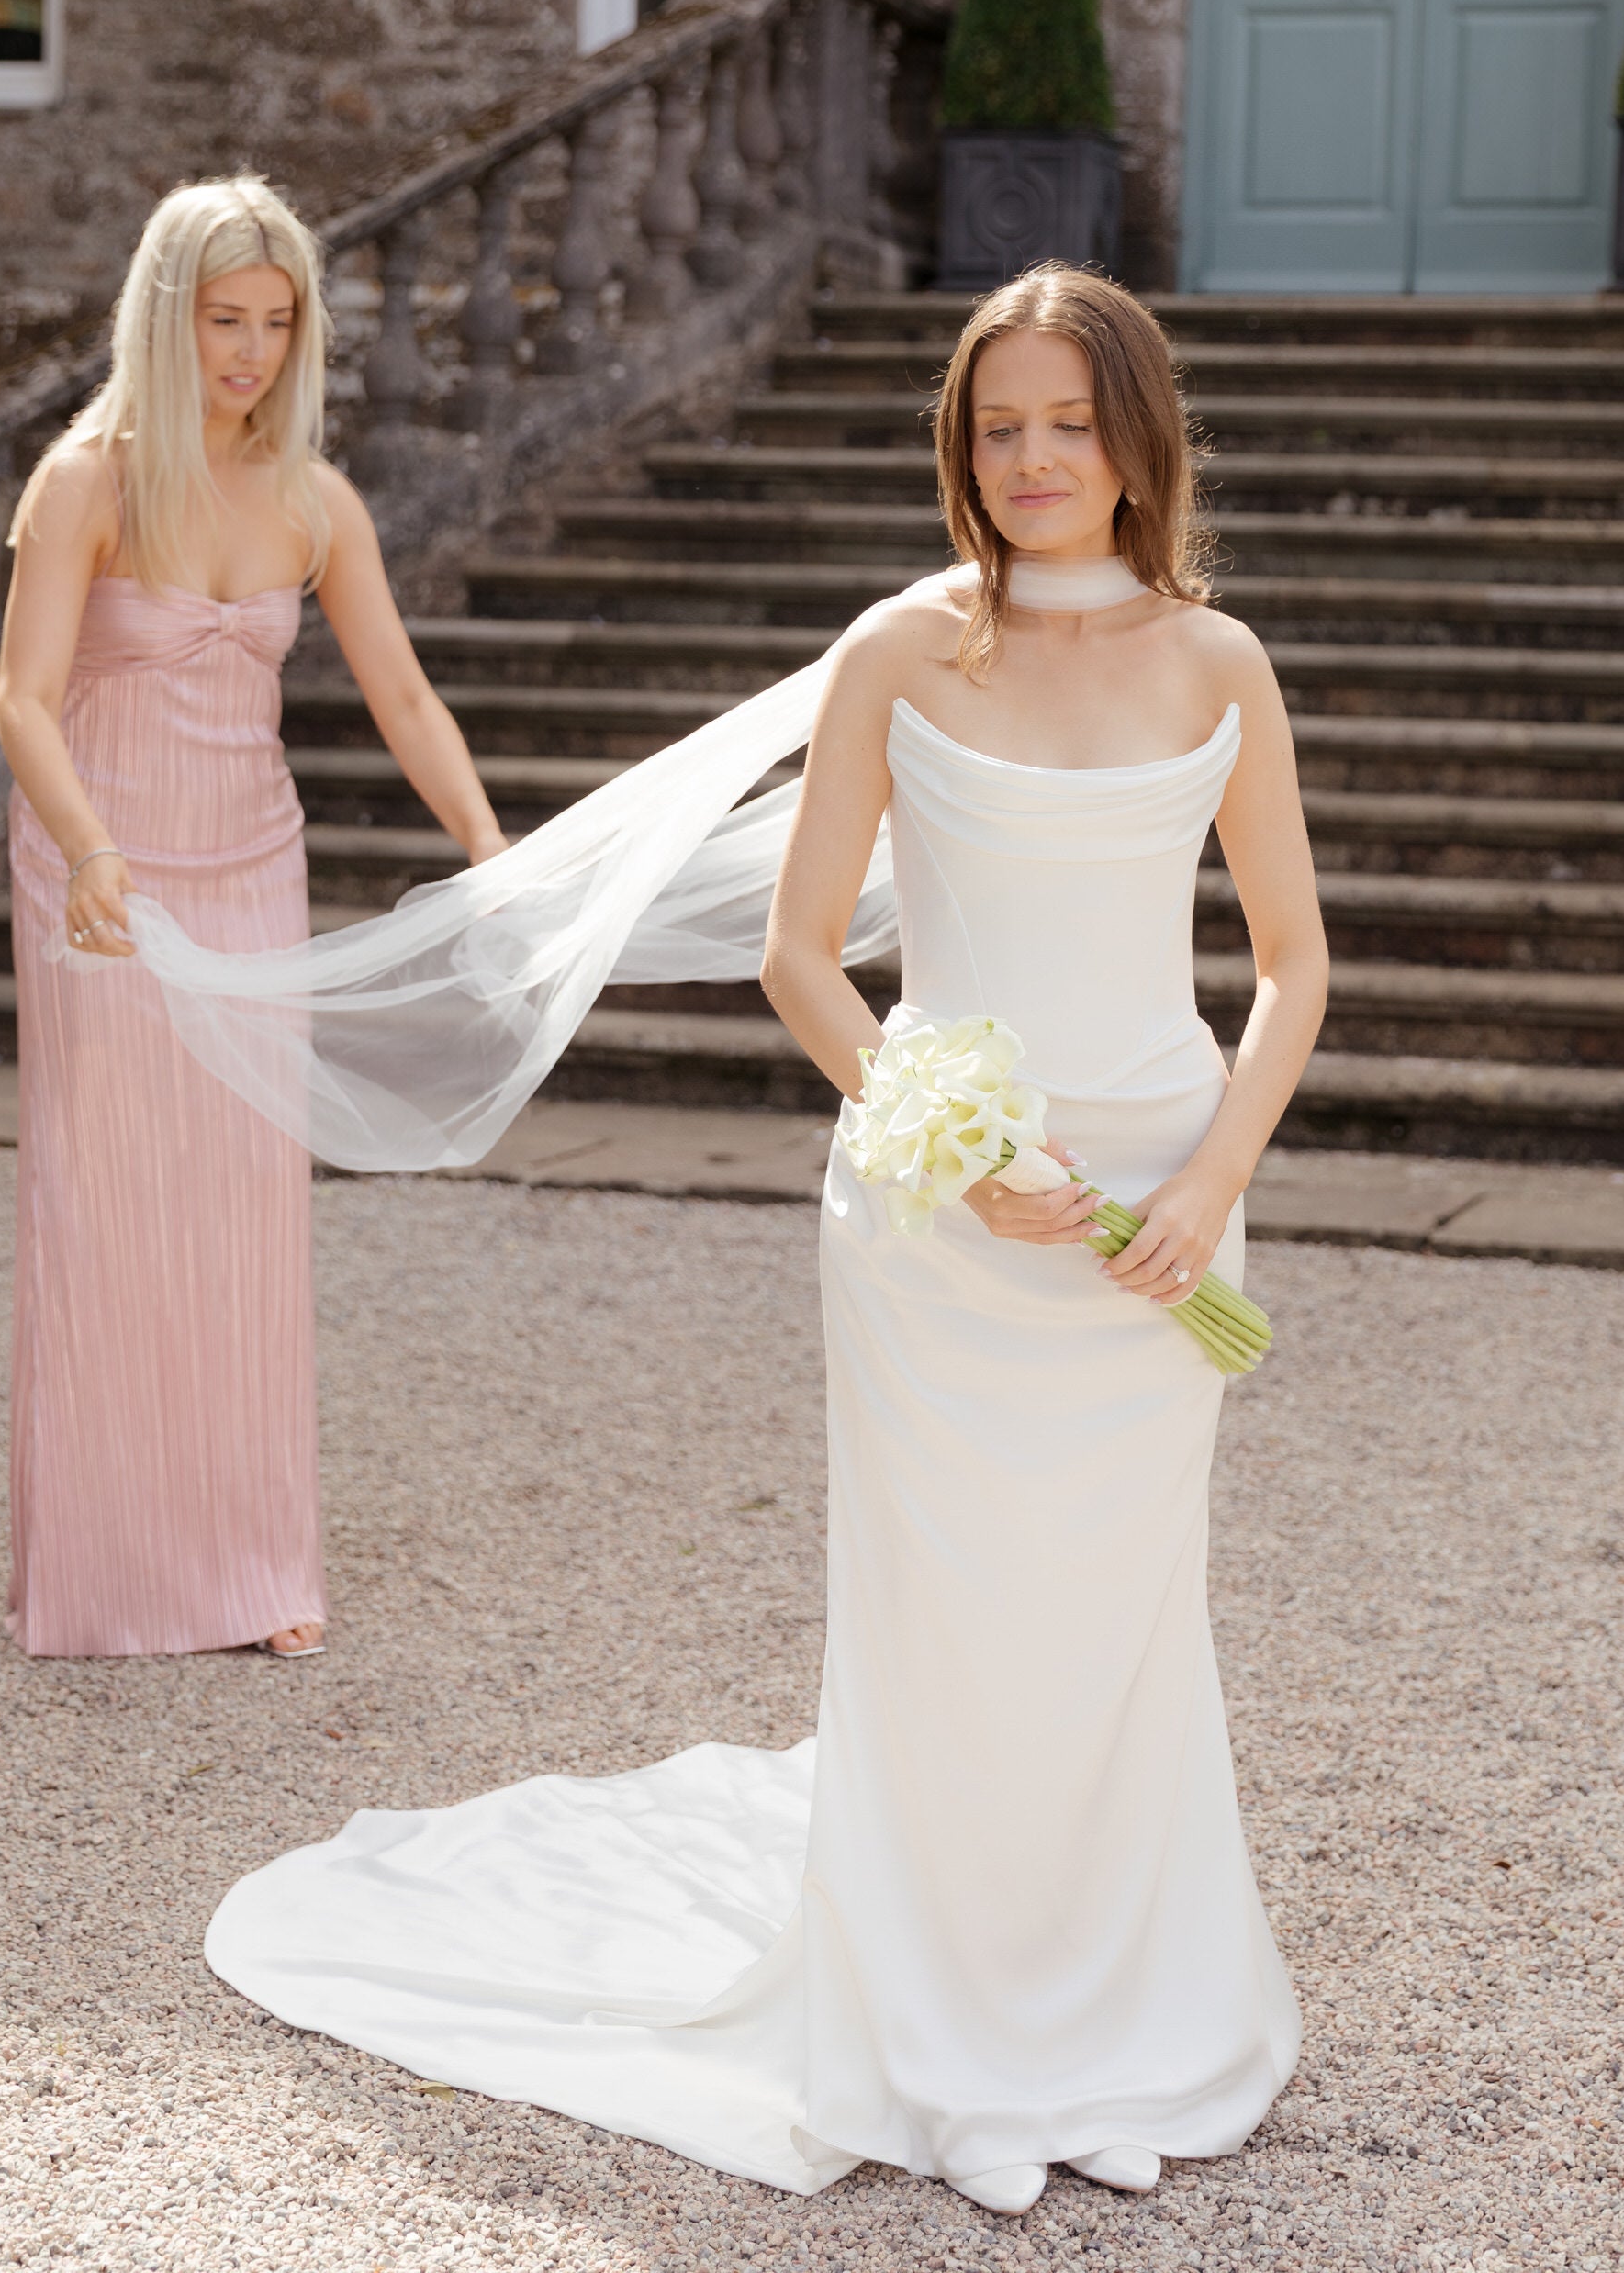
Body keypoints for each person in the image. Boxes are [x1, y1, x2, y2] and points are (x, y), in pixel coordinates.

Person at [193, 264, 1327, 2213]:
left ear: (1138, 439)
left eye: (1069, 423)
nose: (1034, 460)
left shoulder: (1219, 662)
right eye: (999, 427)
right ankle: (942, 2038)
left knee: (1119, 1633)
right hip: (935, 1225)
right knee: (950, 1629)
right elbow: (808, 961)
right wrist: (955, 1148)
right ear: (962, 447)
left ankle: (1128, 2022)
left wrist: (1211, 1187)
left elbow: (1298, 970)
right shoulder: (903, 650)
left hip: (1151, 1219)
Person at [0, 174, 506, 1658]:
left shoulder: (312, 497)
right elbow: (21, 701)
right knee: (107, 1208)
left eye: (279, 324)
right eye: (226, 320)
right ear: (168, 315)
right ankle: (102, 1578)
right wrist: (89, 850)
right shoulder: (84, 479)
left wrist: (484, 844)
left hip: (251, 870)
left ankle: (255, 1568)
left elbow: (402, 694)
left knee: (237, 1218)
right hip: (100, 882)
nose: (254, 353)